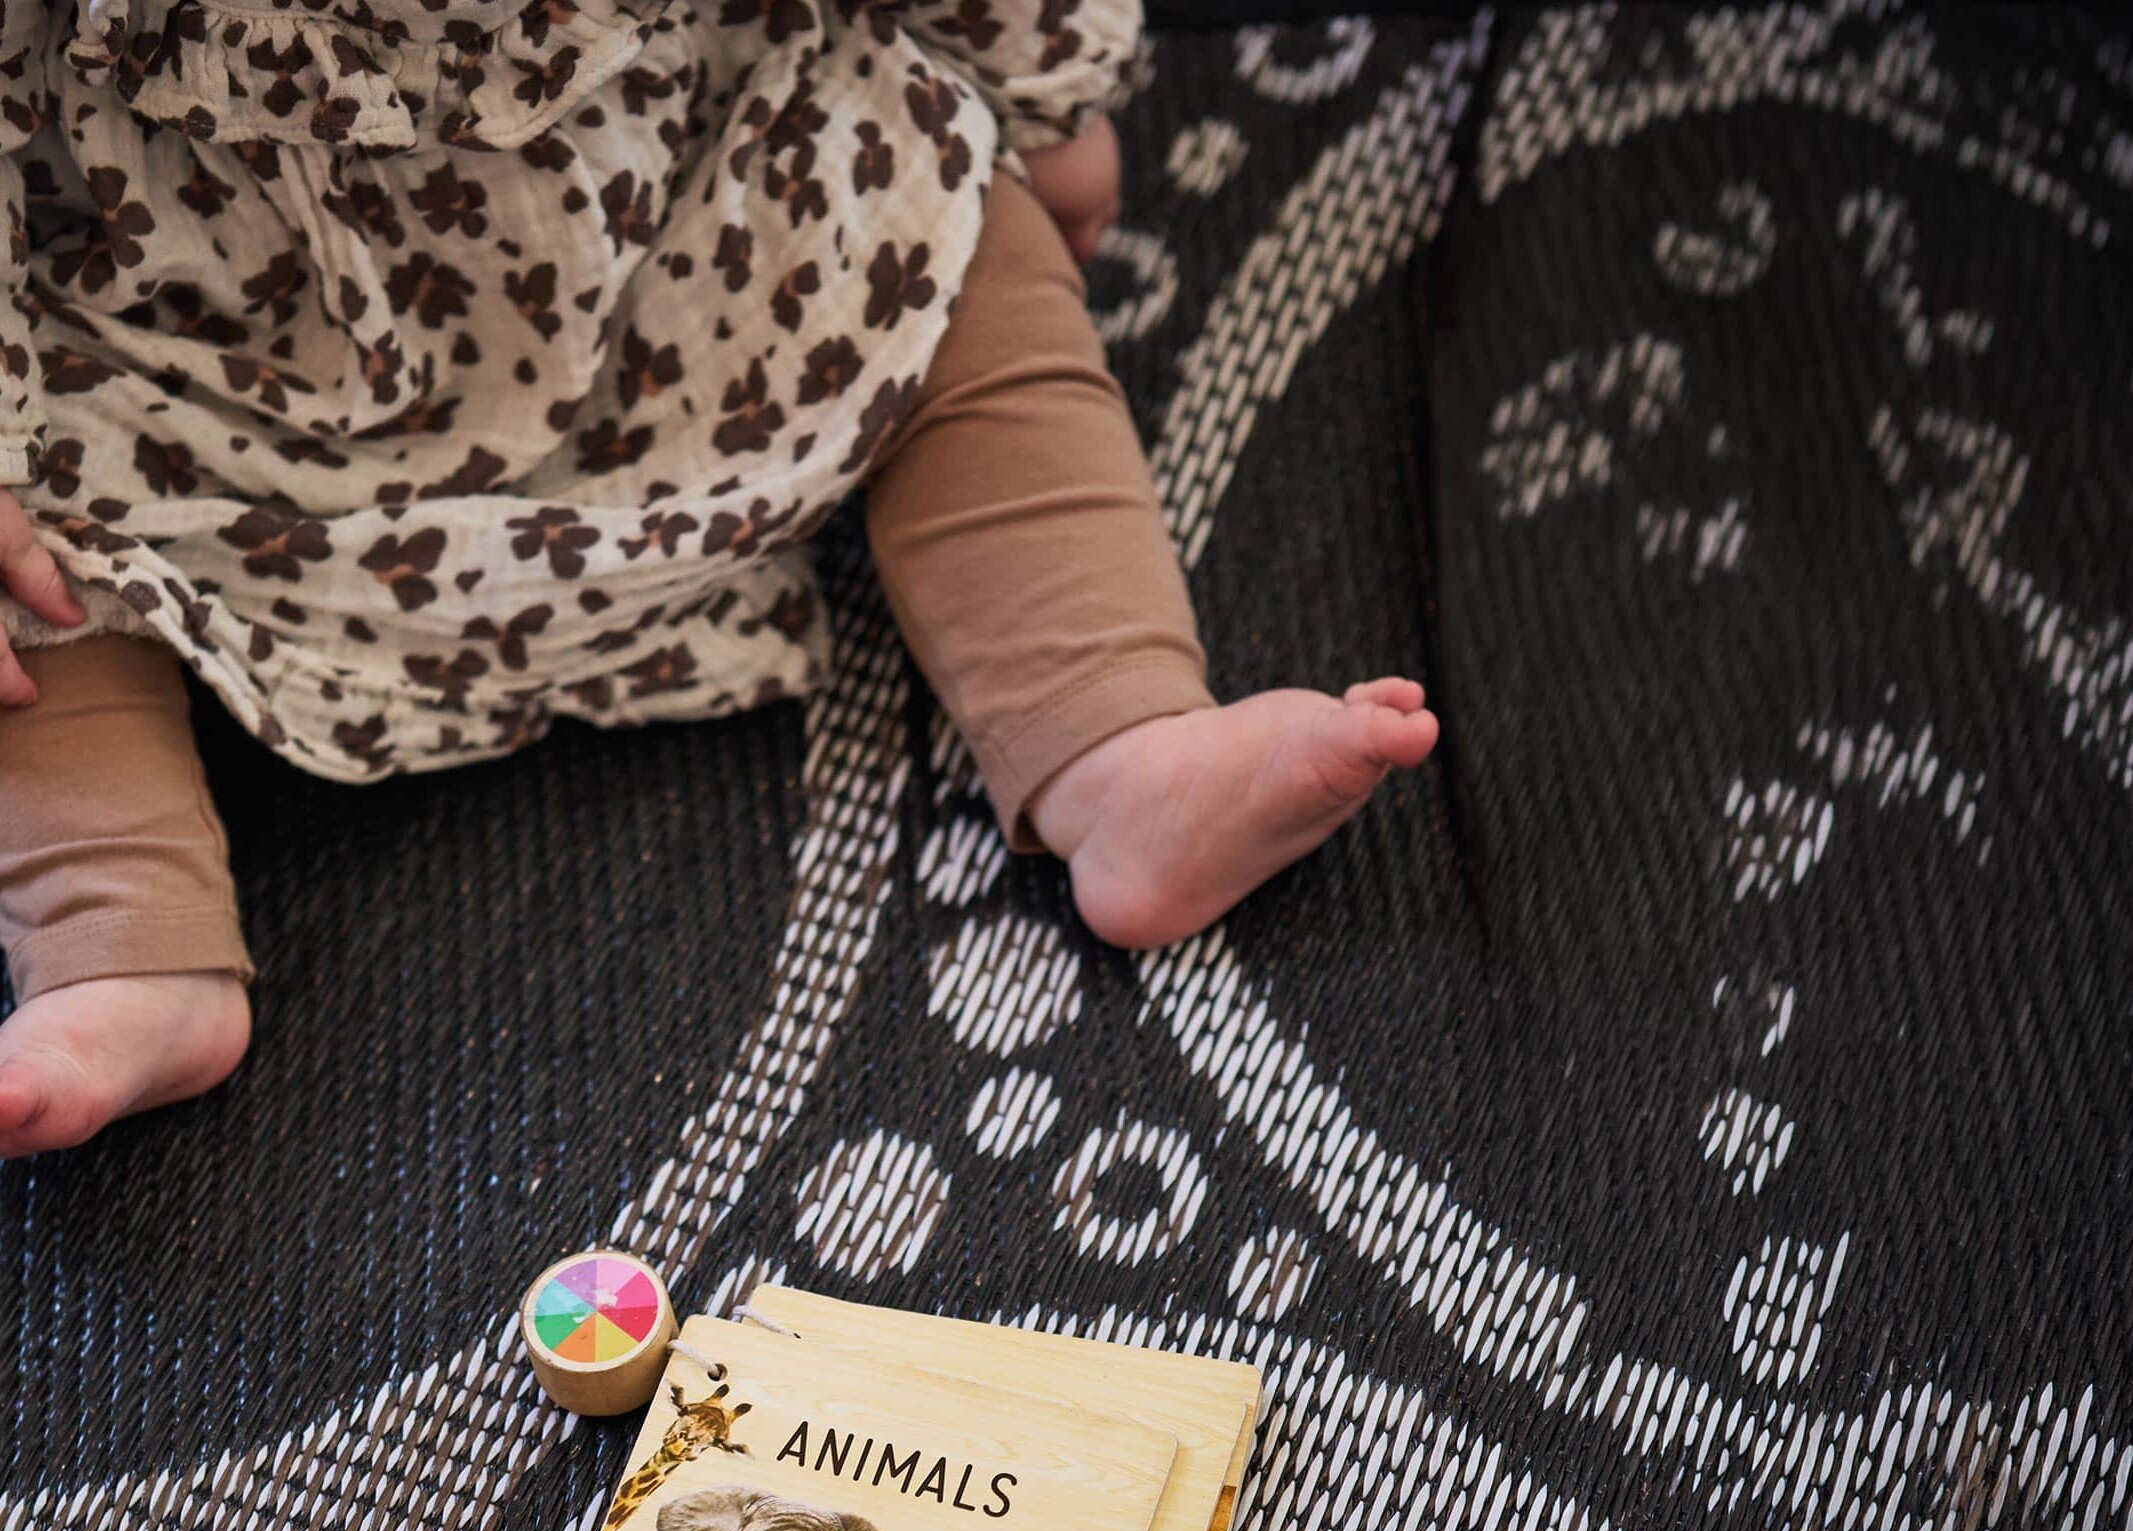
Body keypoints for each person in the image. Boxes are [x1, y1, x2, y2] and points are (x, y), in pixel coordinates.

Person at [0, 0, 1437, 1156]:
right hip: (177, 333)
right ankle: (118, 938)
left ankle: (1113, 737)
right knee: (32, 570)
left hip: (670, 195)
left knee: (942, 227)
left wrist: (1035, 86)